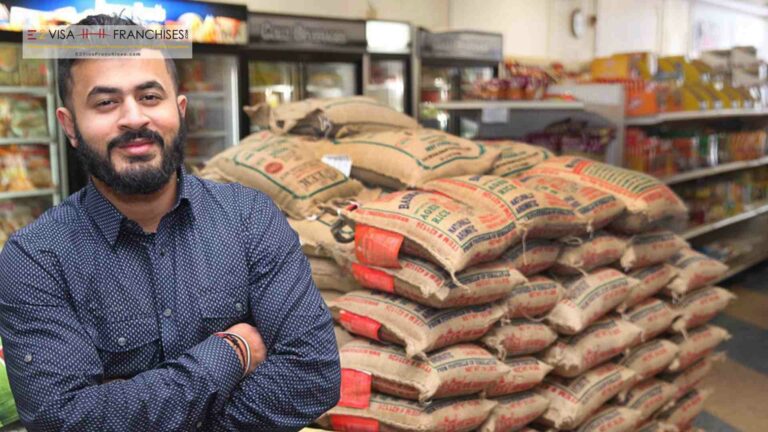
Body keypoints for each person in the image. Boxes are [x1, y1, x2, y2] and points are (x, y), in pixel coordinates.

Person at [0, 14, 340, 432]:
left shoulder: (250, 218)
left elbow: (313, 376)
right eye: (106, 102)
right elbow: (66, 421)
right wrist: (233, 352)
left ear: (179, 109)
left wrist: (126, 403)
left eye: (149, 96)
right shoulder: (35, 259)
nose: (133, 118)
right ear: (69, 125)